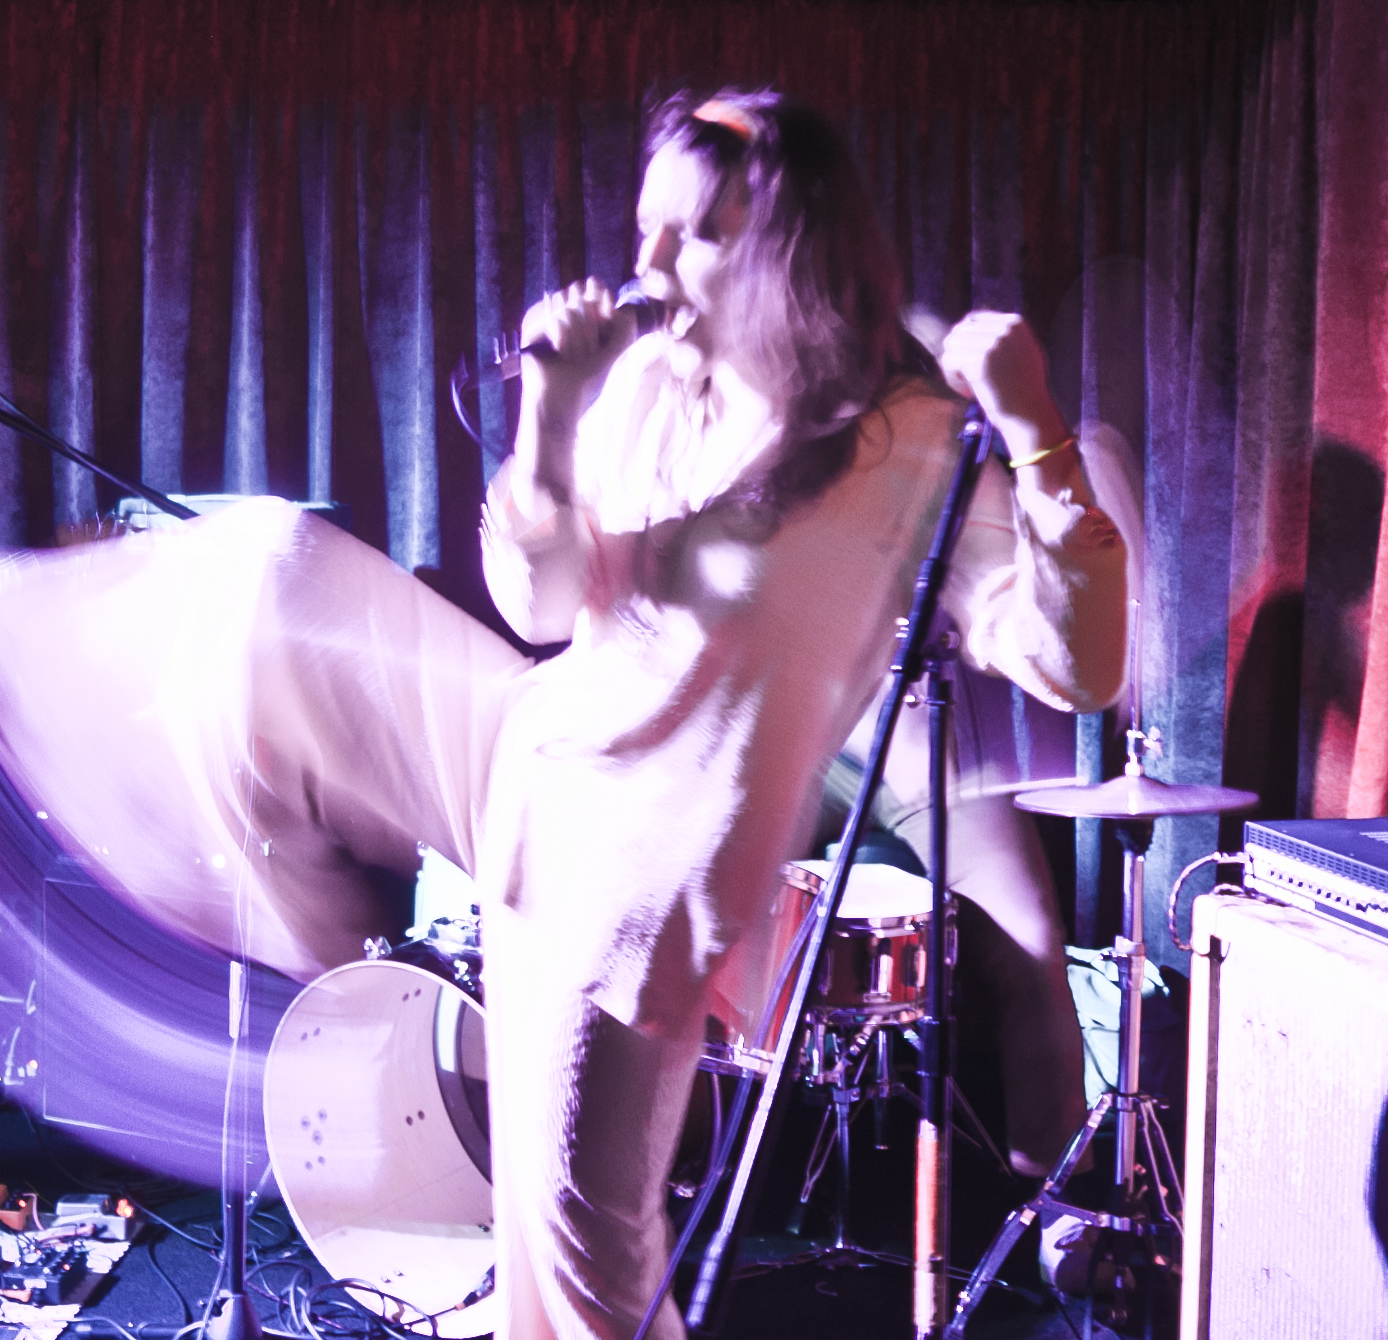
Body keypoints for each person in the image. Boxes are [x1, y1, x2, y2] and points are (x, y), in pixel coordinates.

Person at [472, 88, 1128, 1340]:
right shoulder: (647, 387)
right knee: (552, 1253)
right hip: (546, 821)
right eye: (647, 227)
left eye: (696, 233)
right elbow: (544, 602)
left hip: (653, 884)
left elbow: (1076, 665)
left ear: (789, 244)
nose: (649, 261)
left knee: (588, 1254)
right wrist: (548, 420)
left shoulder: (907, 439)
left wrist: (1039, 434)